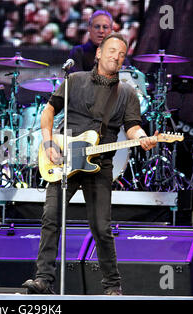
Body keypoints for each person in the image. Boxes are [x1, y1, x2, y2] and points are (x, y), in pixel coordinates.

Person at [22, 33, 157, 295]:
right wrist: (49, 143)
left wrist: (143, 138)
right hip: (64, 157)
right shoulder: (74, 80)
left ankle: (112, 285)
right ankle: (43, 280)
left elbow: (133, 127)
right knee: (51, 217)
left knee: (101, 227)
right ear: (98, 53)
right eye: (112, 51)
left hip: (100, 163)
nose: (116, 57)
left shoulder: (127, 93)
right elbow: (49, 110)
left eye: (121, 54)